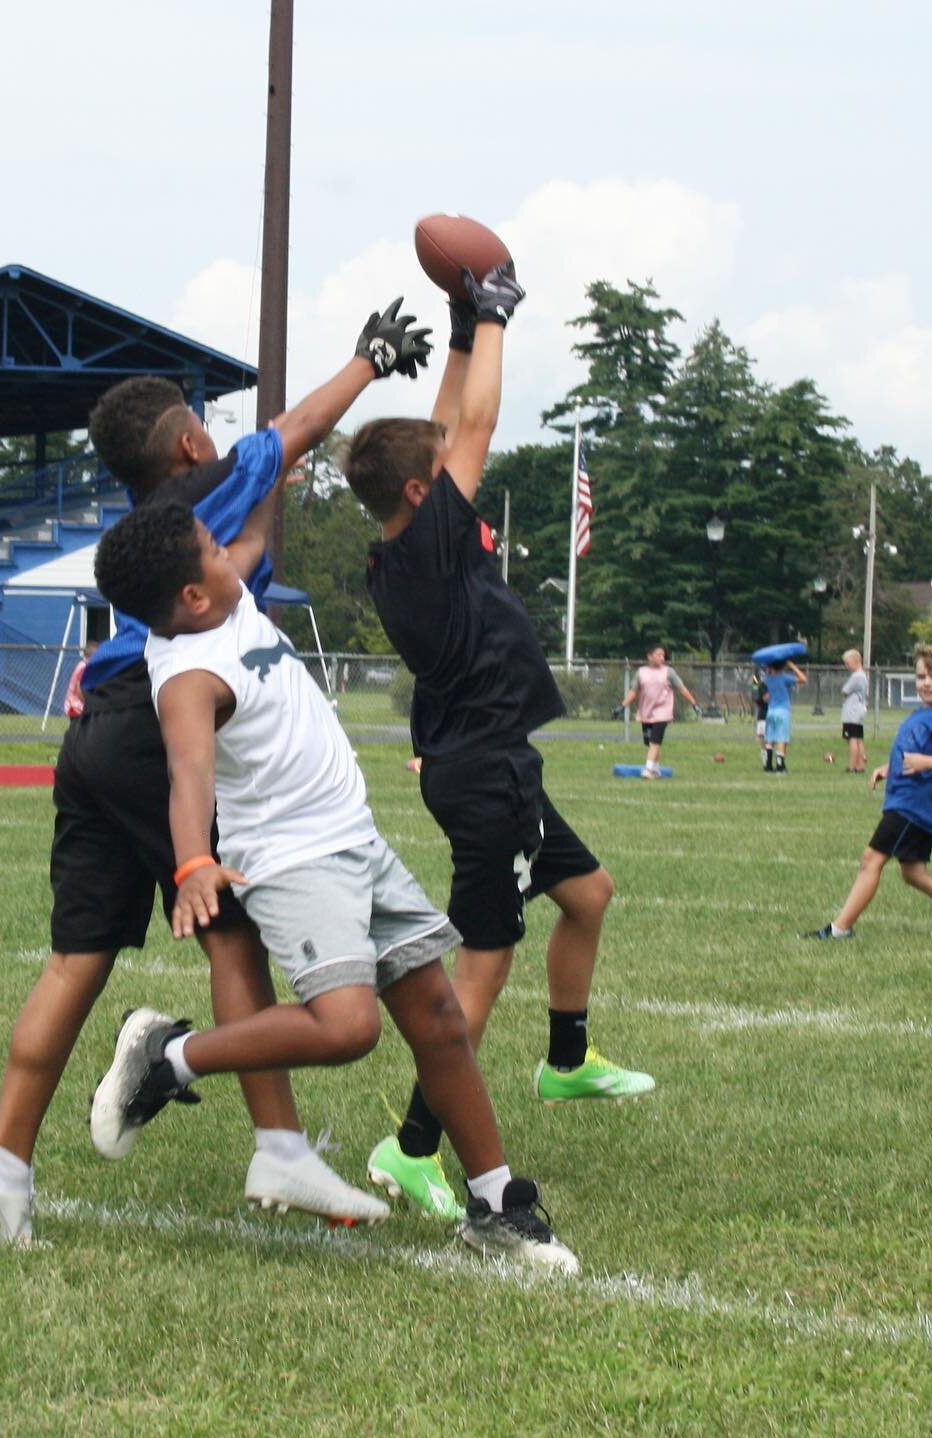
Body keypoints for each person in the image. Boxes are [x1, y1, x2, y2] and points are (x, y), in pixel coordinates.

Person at [0, 300, 430, 1245]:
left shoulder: (146, 532)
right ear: (190, 443)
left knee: (75, 960)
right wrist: (369, 360)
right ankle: (276, 1144)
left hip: (90, 737)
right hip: (149, 732)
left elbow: (247, 548)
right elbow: (294, 434)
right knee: (234, 931)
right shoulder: (196, 492)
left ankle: (2, 1168)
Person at [88, 496, 579, 1272]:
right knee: (350, 1027)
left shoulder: (227, 601)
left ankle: (495, 1208)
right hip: (294, 862)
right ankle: (170, 1055)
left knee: (442, 1022)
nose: (232, 555)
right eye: (213, 550)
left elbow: (249, 530)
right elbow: (188, 775)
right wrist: (190, 865)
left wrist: (289, 460)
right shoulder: (186, 673)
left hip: (357, 840)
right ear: (190, 595)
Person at [339, 264, 653, 1222]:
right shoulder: (431, 541)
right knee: (476, 974)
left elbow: (441, 433)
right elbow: (470, 430)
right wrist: (494, 315)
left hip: (486, 761)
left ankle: (565, 1059)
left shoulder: (408, 539)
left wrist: (457, 332)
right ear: (421, 489)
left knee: (588, 896)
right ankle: (412, 1148)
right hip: (487, 775)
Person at [804, 644, 932, 946]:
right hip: (908, 803)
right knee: (913, 873)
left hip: (912, 808)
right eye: (921, 676)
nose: (926, 683)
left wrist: (925, 763)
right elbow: (914, 754)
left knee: (871, 860)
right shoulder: (923, 713)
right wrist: (889, 767)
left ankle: (840, 928)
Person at [618, 644, 699, 779]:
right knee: (650, 742)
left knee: (655, 742)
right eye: (658, 655)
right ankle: (656, 769)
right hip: (646, 712)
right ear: (649, 656)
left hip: (663, 713)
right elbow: (634, 692)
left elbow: (682, 688)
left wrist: (694, 704)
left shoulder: (668, 672)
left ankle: (648, 769)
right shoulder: (641, 672)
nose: (662, 658)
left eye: (663, 655)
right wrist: (622, 706)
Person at [762, 657, 808, 774]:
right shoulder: (785, 678)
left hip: (770, 711)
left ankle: (767, 765)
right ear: (783, 667)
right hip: (783, 711)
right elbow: (803, 679)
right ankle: (780, 765)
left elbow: (765, 688)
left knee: (770, 738)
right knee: (782, 738)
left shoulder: (768, 678)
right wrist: (792, 666)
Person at [840, 648, 868, 773]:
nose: (846, 666)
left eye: (847, 663)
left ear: (856, 661)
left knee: (851, 738)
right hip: (860, 710)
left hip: (852, 712)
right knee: (858, 738)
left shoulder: (856, 677)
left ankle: (852, 766)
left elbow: (844, 691)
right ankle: (860, 765)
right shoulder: (864, 676)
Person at [752, 670, 770, 767]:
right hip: (763, 715)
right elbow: (758, 696)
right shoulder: (760, 682)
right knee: (763, 740)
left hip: (773, 714)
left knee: (772, 741)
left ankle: (771, 760)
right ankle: (766, 762)